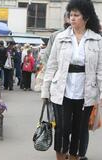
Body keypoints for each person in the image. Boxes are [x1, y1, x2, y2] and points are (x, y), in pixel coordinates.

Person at [41, 0, 102, 159]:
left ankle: (75, 157)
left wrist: (101, 95)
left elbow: (100, 70)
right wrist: (45, 91)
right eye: (70, 15)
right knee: (61, 128)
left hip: (86, 92)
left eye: (76, 15)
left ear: (86, 17)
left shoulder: (97, 40)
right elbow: (52, 65)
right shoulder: (60, 37)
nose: (72, 18)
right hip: (61, 90)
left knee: (79, 130)